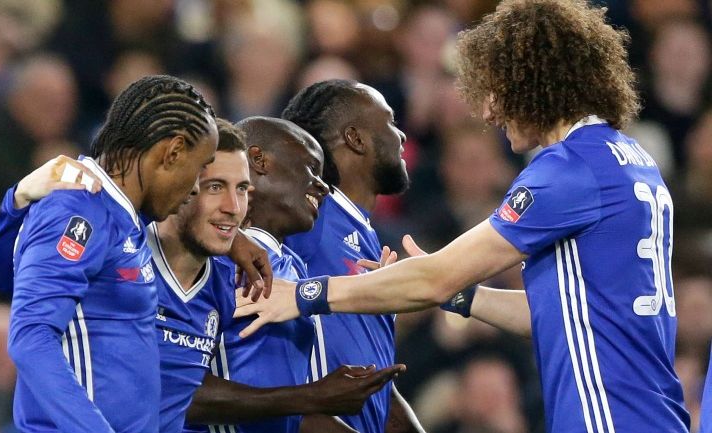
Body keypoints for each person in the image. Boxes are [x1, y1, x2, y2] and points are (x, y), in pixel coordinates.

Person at [236, 2, 691, 432]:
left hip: (604, 416)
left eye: (495, 89)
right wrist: (460, 297)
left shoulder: (567, 170)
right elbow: (564, 313)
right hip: (651, 410)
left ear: (531, 81)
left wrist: (302, 295)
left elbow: (435, 276)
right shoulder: (631, 159)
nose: (489, 111)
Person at [0, 120, 400, 433]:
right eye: (215, 186)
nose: (233, 206)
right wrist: (18, 197)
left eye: (242, 191)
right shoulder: (115, 239)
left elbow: (177, 391)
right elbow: (10, 291)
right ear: (181, 183)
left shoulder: (242, 275)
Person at [5, 74, 217, 433]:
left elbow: (5, 273)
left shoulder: (125, 217)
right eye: (200, 168)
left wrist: (15, 202)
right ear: (173, 152)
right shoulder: (80, 209)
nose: (196, 187)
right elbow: (30, 336)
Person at [191, 116, 403, 433]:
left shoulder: (293, 266)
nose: (322, 186)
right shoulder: (212, 258)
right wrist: (309, 397)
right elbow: (177, 390)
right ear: (258, 161)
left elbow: (291, 412)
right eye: (310, 168)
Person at [281, 79, 424, 433]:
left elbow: (376, 387)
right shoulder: (309, 219)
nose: (401, 136)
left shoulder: (364, 234)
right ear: (355, 138)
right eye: (389, 122)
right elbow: (277, 377)